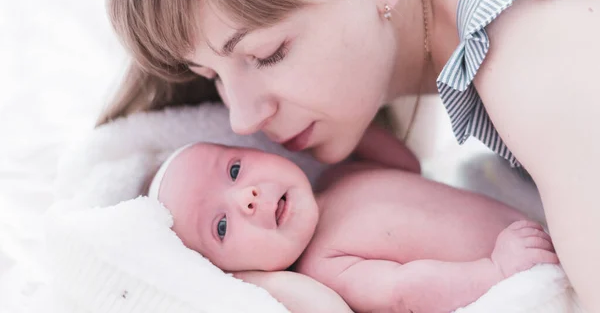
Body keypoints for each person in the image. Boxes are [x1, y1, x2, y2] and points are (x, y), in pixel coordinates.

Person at [100, 0, 600, 310]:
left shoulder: (529, 53)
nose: (242, 120)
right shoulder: (432, 31)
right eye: (212, 76)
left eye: (266, 53)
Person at [148, 140, 557, 313]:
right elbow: (404, 290)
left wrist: (339, 133)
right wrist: (497, 271)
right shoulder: (322, 269)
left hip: (537, 225)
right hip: (510, 275)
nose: (246, 197)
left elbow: (406, 165)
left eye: (235, 169)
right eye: (221, 227)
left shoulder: (336, 175)